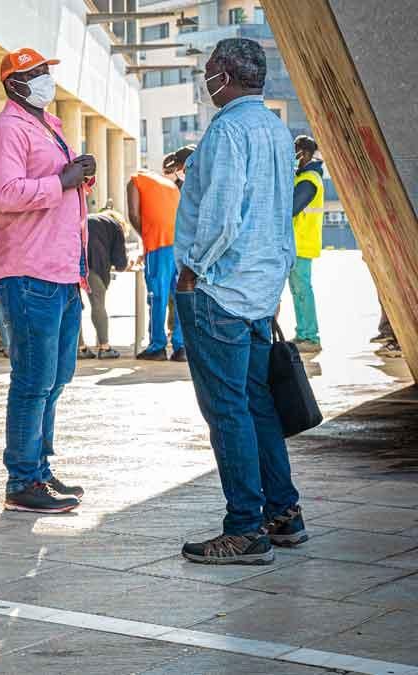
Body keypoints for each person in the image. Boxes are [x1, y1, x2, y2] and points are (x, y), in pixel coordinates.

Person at [175, 38, 307, 564]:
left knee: (227, 410)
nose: (206, 81)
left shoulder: (228, 130)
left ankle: (245, 529)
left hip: (219, 291)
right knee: (257, 405)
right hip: (257, 290)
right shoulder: (276, 129)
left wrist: (191, 270)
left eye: (208, 71)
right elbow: (278, 216)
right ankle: (283, 515)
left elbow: (223, 215)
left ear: (225, 75)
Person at [0, 48, 96, 513]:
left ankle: (39, 472)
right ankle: (22, 480)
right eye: (36, 73)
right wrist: (63, 180)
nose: (46, 79)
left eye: (47, 71)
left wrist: (76, 176)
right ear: (14, 84)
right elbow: (6, 194)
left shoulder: (47, 126)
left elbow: (54, 188)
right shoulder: (5, 130)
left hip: (61, 271)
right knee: (33, 380)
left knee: (56, 377)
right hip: (27, 272)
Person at [128, 163, 186, 362]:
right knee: (179, 297)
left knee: (157, 296)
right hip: (178, 243)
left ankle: (157, 346)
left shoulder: (135, 180)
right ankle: (181, 347)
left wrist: (147, 239)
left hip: (158, 243)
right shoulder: (168, 185)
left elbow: (133, 214)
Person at [78, 210, 130, 360]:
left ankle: (79, 347)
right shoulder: (115, 226)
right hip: (94, 263)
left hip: (71, 258)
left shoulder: (87, 218)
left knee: (74, 306)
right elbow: (120, 262)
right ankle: (104, 347)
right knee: (98, 304)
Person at [289, 135, 325, 353]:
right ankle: (304, 333)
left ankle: (310, 337)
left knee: (302, 290)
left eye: (295, 152)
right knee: (298, 290)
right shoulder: (302, 176)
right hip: (297, 243)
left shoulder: (309, 180)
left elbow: (292, 207)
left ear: (304, 153)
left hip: (301, 243)